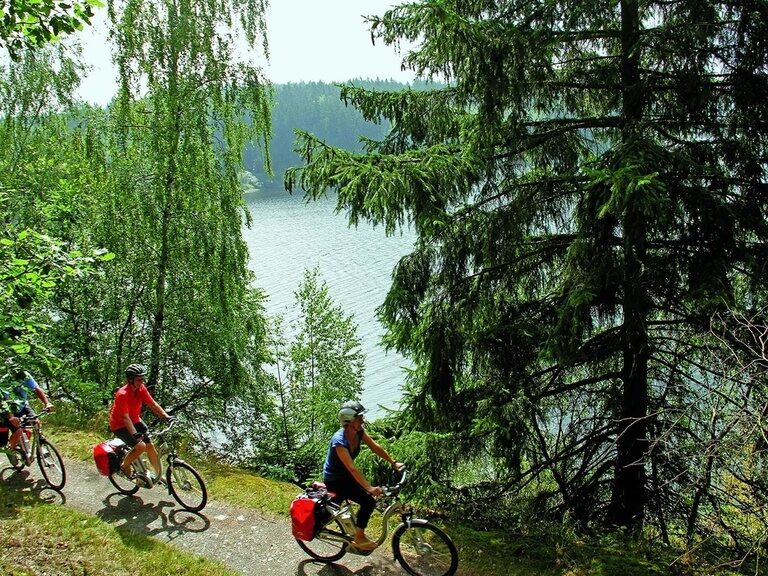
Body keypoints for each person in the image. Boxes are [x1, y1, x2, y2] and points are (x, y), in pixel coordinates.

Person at [323, 400, 404, 551]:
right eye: (359, 418)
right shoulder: (339, 441)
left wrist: (393, 463)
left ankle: (354, 532)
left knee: (346, 507)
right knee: (368, 502)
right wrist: (369, 488)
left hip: (346, 476)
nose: (362, 420)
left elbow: (375, 447)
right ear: (349, 421)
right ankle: (359, 538)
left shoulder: (359, 432)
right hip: (335, 479)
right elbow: (352, 468)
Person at [108, 363, 171, 480]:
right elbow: (125, 418)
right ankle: (123, 466)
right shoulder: (122, 394)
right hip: (119, 425)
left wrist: (165, 415)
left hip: (135, 420)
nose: (142, 382)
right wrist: (134, 434)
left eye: (143, 379)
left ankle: (158, 474)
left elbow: (152, 404)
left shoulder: (141, 389)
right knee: (140, 446)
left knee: (150, 445)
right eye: (139, 379)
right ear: (130, 380)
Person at [1, 363, 54, 462]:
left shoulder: (25, 375)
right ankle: (10, 450)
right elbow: (5, 402)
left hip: (22, 405)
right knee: (18, 431)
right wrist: (12, 417)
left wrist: (47, 403)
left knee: (36, 422)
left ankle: (40, 444)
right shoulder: (4, 381)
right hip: (9, 409)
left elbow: (37, 389)